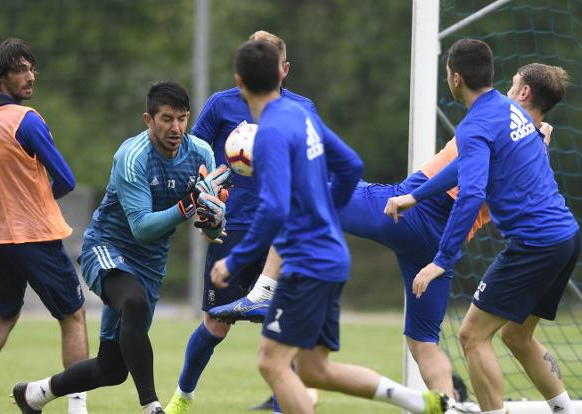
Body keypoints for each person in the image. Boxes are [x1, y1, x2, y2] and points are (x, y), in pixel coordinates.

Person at [212, 62, 566, 411]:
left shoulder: (492, 122)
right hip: (440, 240)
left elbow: (467, 185)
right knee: (423, 341)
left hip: (413, 214)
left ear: (523, 92)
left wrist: (413, 198)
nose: (504, 92)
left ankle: (263, 292)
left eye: (512, 85)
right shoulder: (532, 145)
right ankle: (448, 406)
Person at [210, 39, 448, 414]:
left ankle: (421, 402)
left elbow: (272, 209)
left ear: (239, 81)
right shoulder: (299, 114)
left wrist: (235, 259)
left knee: (271, 363)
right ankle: (419, 401)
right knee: (313, 370)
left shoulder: (269, 132)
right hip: (330, 257)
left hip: (307, 263)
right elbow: (351, 165)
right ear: (279, 74)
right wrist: (325, 210)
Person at [12, 80, 232, 414]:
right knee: (134, 302)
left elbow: (208, 226)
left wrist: (213, 217)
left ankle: (34, 394)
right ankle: (151, 405)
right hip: (106, 248)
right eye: (167, 119)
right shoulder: (132, 156)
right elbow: (142, 228)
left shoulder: (201, 152)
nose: (176, 128)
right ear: (149, 120)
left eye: (182, 119)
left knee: (111, 369)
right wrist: (190, 204)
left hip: (150, 264)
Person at [388, 39, 579, 414]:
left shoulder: (478, 124)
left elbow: (471, 193)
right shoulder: (513, 113)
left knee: (472, 336)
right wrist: (417, 195)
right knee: (516, 335)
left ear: (455, 78)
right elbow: (467, 167)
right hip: (566, 237)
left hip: (535, 244)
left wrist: (442, 259)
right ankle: (565, 410)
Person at [164, 31, 318, 414]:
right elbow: (192, 156)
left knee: (284, 324)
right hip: (231, 231)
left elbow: (317, 165)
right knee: (216, 324)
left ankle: (286, 401)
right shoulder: (221, 105)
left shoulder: (302, 109)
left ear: (285, 69)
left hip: (281, 236)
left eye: (271, 63)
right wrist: (205, 190)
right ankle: (182, 397)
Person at [0, 37, 89, 414]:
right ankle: (77, 406)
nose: (30, 76)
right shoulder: (27, 122)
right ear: (0, 75)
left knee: (3, 312)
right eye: (21, 70)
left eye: (32, 68)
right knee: (73, 315)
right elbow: (65, 179)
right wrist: (34, 199)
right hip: (37, 237)